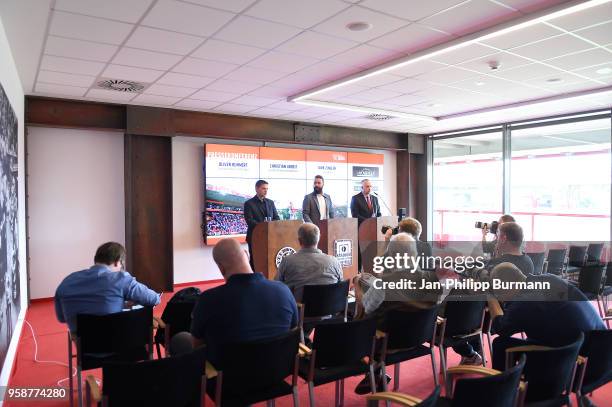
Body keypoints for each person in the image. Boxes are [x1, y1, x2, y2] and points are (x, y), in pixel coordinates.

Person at [189, 238, 298, 365]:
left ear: (221, 268)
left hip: (227, 380)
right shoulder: (283, 290)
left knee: (181, 341)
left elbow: (197, 346)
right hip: (276, 372)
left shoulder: (208, 300)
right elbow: (293, 331)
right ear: (247, 255)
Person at [487, 262, 606, 370]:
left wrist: (489, 296)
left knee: (500, 344)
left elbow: (501, 328)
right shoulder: (550, 279)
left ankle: (504, 388)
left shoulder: (524, 302)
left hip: (578, 365)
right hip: (601, 349)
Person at [54, 242, 161, 332]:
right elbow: (154, 299)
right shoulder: (121, 279)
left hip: (86, 352)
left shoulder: (67, 282)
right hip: (124, 348)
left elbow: (62, 318)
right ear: (118, 261)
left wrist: (121, 304)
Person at [276, 223, 343, 301]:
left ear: (300, 241)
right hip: (330, 311)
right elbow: (340, 288)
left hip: (297, 311)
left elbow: (276, 287)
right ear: (318, 239)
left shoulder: (287, 261)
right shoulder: (334, 261)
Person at [243, 179, 280, 270]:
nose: (266, 191)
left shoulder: (270, 202)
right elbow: (249, 221)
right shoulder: (249, 203)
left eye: (267, 189)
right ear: (256, 188)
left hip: (270, 237)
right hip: (255, 237)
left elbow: (276, 218)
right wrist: (264, 227)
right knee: (255, 261)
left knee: (268, 260)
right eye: (264, 188)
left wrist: (271, 227)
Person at [351, 179, 381, 271]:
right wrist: (369, 222)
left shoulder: (375, 198)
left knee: (372, 251)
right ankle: (359, 271)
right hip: (361, 229)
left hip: (373, 231)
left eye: (370, 186)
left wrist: (378, 220)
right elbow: (355, 215)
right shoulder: (355, 198)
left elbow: (379, 213)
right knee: (361, 252)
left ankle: (372, 269)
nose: (369, 188)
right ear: (362, 187)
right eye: (367, 186)